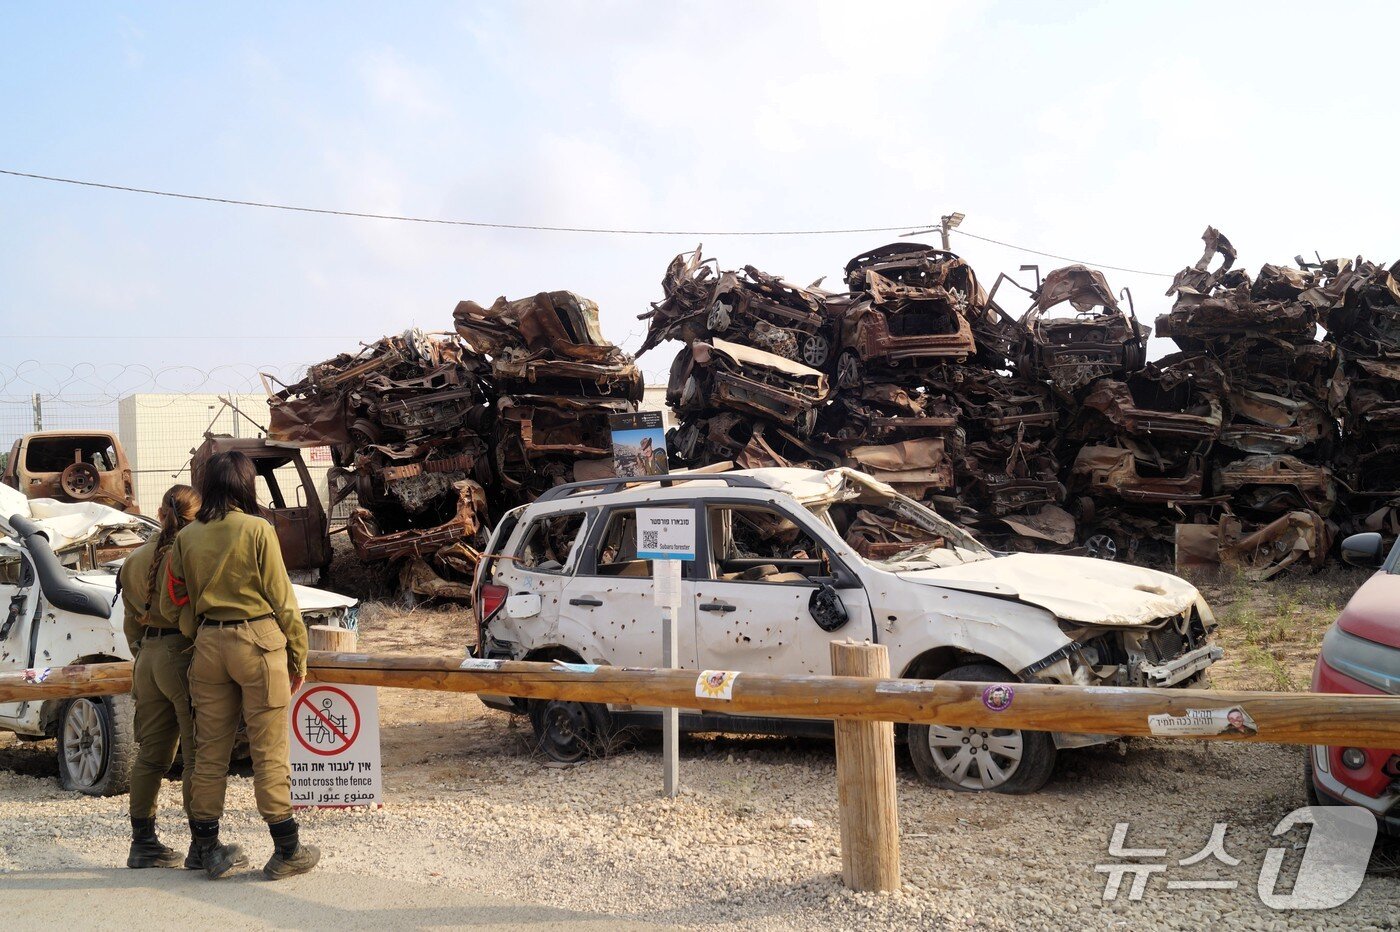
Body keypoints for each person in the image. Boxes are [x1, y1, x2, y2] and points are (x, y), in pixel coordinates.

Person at [160, 450, 320, 880]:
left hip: (209, 648)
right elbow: (282, 598)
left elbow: (173, 600)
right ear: (247, 484)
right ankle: (287, 850)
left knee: (210, 752)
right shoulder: (257, 530)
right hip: (259, 645)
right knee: (269, 752)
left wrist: (202, 631)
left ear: (209, 484)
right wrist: (298, 655)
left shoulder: (187, 537)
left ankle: (208, 850)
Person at [118, 484, 203, 870]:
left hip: (146, 660)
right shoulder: (189, 552)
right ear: (195, 514)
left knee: (151, 755)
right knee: (197, 755)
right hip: (179, 655)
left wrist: (143, 654)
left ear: (160, 511)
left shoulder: (134, 558)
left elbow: (129, 624)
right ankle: (202, 843)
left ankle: (144, 842)